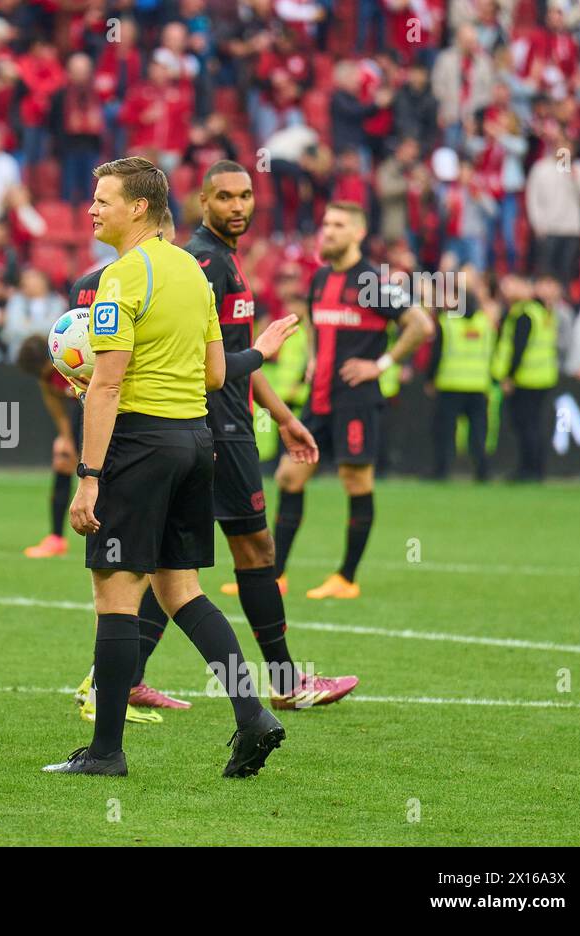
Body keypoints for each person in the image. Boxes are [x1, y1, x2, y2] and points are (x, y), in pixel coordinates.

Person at [43, 157, 286, 779]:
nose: (92, 210)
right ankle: (252, 714)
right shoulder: (192, 272)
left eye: (103, 200)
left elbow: (107, 386)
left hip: (139, 446)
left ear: (139, 208)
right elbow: (212, 373)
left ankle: (104, 753)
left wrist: (90, 477)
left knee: (115, 595)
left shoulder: (122, 278)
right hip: (194, 443)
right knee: (182, 590)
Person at [189, 161, 359, 709]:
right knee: (249, 549)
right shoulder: (206, 264)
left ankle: (118, 678)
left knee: (174, 560)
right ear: (203, 202)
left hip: (226, 421)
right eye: (225, 197)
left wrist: (284, 418)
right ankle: (286, 683)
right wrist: (262, 349)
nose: (238, 206)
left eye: (245, 195)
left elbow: (237, 357)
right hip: (220, 426)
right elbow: (209, 361)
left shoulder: (226, 262)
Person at [272, 202, 434, 599]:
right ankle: (275, 575)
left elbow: (421, 325)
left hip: (357, 400)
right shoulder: (320, 278)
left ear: (358, 234)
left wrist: (380, 364)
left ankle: (346, 577)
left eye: (338, 225)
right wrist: (313, 358)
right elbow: (314, 322)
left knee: (355, 480)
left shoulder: (372, 281)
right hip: (320, 398)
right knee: (289, 476)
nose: (327, 231)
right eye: (325, 223)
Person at [493, 275, 558, 482]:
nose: (505, 288)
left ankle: (528, 470)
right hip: (543, 376)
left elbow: (518, 348)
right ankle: (536, 468)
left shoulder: (525, 314)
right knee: (535, 425)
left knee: (526, 426)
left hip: (527, 378)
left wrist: (509, 377)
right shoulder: (543, 313)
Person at [428, 298, 496, 481]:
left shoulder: (447, 323)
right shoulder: (485, 324)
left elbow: (436, 354)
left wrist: (430, 378)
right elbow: (492, 352)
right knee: (478, 434)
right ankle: (483, 472)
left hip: (451, 384)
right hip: (478, 385)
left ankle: (441, 472)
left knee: (445, 432)